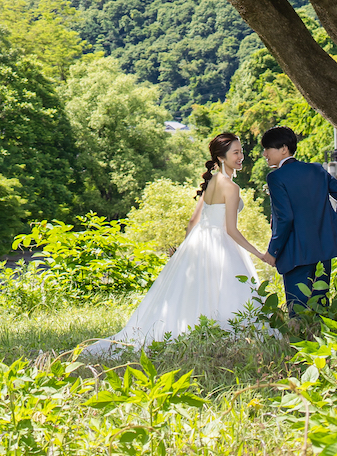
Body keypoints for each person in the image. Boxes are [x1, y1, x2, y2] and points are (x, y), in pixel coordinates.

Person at [84, 131, 270, 355]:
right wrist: (259, 254)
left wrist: (184, 252)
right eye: (236, 152)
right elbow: (231, 230)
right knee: (225, 291)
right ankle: (219, 335)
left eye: (242, 151)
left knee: (192, 292)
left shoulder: (211, 183)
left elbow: (193, 221)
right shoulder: (231, 187)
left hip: (199, 243)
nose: (241, 156)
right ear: (221, 157)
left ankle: (194, 332)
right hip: (220, 244)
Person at [259, 125, 337, 311]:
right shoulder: (316, 170)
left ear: (284, 149)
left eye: (267, 149)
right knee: (320, 308)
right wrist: (333, 229)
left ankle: (299, 338)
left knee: (298, 311)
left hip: (296, 254)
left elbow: (285, 218)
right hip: (322, 251)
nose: (265, 154)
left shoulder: (276, 177)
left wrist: (273, 252)